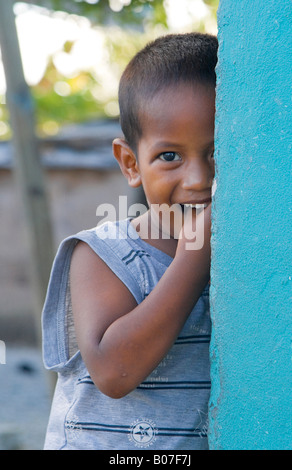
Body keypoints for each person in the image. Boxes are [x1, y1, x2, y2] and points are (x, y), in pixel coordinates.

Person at [42, 32, 218, 450]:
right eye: (170, 156)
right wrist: (195, 257)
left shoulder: (246, 259)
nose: (198, 180)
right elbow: (113, 372)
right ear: (131, 163)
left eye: (218, 152)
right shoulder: (103, 253)